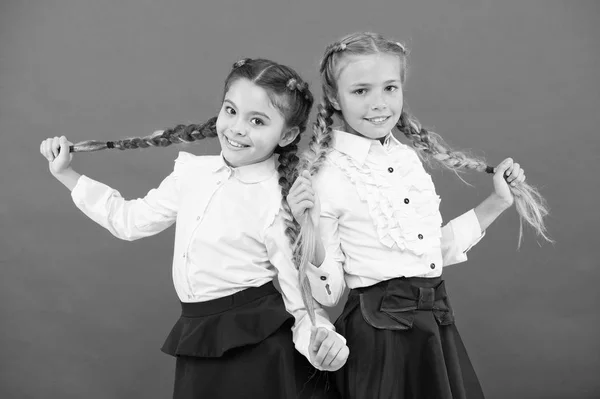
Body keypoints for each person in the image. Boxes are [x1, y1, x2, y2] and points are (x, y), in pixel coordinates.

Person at [39, 58, 348, 399]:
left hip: (256, 347)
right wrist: (66, 174)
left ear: (287, 135)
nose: (237, 128)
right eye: (231, 111)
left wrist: (321, 344)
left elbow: (300, 302)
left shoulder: (280, 200)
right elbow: (129, 220)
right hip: (199, 336)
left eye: (257, 120)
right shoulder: (192, 174)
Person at [287, 32, 551, 399]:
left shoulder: (408, 160)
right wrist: (308, 228)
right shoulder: (326, 176)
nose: (379, 104)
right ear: (334, 96)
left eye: (390, 88)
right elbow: (328, 293)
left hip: (434, 327)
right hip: (379, 340)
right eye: (361, 91)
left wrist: (497, 202)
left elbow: (430, 255)